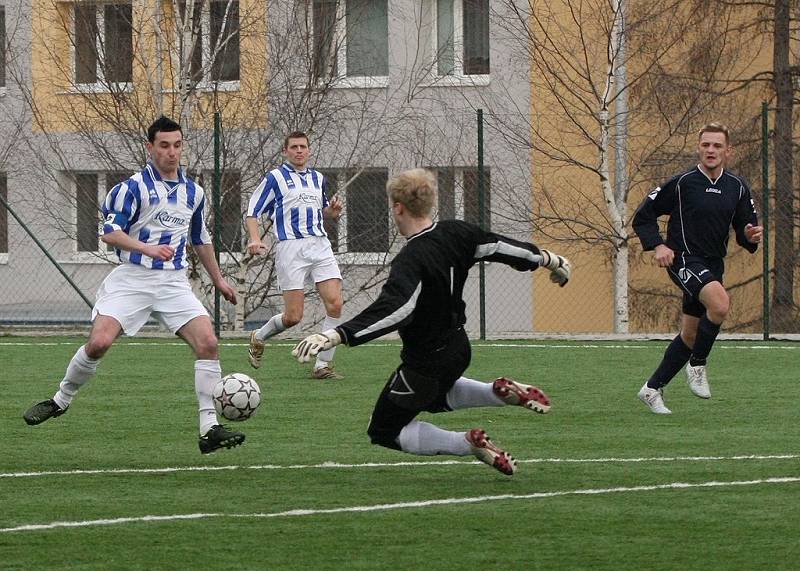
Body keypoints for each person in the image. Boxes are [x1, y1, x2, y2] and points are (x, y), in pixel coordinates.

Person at [291, 168, 571, 476]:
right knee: (436, 396)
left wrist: (337, 334)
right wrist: (548, 260)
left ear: (397, 207)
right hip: (458, 349)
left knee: (384, 430)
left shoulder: (411, 258)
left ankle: (469, 443)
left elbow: (397, 308)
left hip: (424, 362)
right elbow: (501, 247)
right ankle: (497, 392)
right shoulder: (457, 232)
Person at [22, 116, 245, 454]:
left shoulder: (193, 192)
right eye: (164, 145)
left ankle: (209, 428)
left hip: (173, 282)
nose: (172, 152)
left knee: (208, 343)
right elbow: (109, 232)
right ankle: (61, 399)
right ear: (150, 147)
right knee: (98, 344)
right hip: (132, 279)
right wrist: (147, 248)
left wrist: (219, 279)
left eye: (177, 145)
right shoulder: (131, 188)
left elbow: (200, 238)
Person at [632, 122, 763, 414]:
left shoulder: (737, 187)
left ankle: (652, 389)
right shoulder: (682, 182)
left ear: (728, 150)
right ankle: (698, 365)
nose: (711, 150)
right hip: (684, 259)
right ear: (698, 148)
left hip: (713, 264)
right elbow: (643, 216)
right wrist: (659, 245)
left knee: (691, 335)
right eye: (706, 145)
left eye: (717, 145)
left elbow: (745, 229)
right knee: (720, 304)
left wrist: (750, 236)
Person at [245, 131, 345, 379]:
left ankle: (322, 365)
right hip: (291, 248)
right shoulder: (275, 178)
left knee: (335, 304)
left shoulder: (317, 178)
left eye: (303, 147)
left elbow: (321, 211)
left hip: (320, 245)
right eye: (294, 147)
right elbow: (252, 211)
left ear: (309, 151)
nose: (299, 151)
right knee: (293, 317)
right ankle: (259, 337)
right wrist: (255, 238)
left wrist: (331, 212)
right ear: (285, 151)